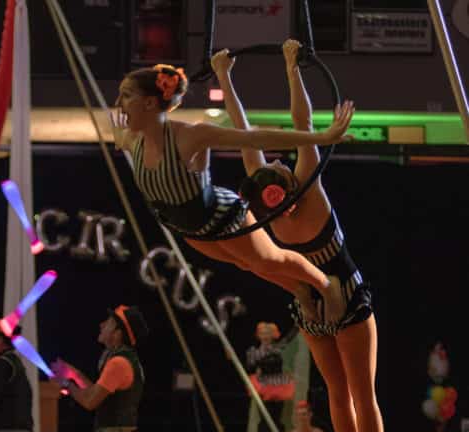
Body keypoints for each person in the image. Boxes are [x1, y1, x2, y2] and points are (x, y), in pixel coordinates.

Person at [212, 42, 396, 432]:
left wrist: (224, 77)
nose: (273, 158)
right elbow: (302, 124)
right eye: (277, 162)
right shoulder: (309, 191)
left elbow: (242, 131)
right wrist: (293, 67)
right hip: (345, 292)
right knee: (361, 391)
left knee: (337, 391)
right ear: (287, 181)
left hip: (308, 304)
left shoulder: (267, 211)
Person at [112, 64, 357, 324]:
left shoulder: (189, 136)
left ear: (150, 103)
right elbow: (119, 138)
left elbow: (255, 139)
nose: (119, 103)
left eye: (127, 95)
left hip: (220, 216)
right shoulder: (132, 140)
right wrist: (118, 132)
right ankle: (299, 289)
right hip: (187, 228)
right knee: (247, 264)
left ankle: (326, 285)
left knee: (271, 259)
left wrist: (322, 137)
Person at [246, 321, 296, 432]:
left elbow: (289, 340)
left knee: (277, 419)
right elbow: (250, 365)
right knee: (265, 422)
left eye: (269, 333)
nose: (266, 336)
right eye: (263, 333)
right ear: (258, 335)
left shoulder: (278, 348)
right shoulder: (254, 352)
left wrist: (297, 326)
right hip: (264, 384)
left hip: (278, 383)